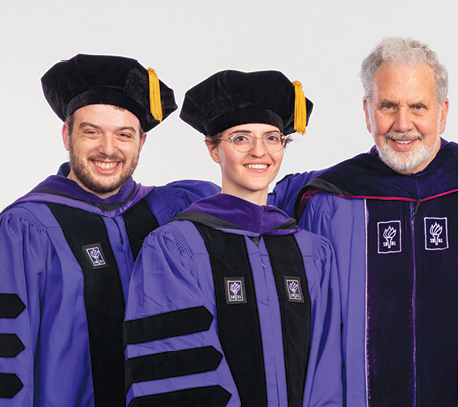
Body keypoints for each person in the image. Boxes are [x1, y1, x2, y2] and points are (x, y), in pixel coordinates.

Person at [0, 54, 219, 407]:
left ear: (141, 142)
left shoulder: (172, 211)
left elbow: (258, 211)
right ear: (66, 135)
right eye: (92, 132)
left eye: (123, 134)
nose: (108, 148)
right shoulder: (24, 231)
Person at [269, 37, 458, 406]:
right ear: (367, 111)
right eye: (388, 106)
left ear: (442, 112)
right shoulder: (332, 200)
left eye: (418, 106)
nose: (403, 124)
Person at [123, 70, 342, 407]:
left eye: (272, 138)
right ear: (213, 148)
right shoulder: (174, 248)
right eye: (241, 138)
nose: (260, 151)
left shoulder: (312, 251)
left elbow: (327, 370)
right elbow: (176, 368)